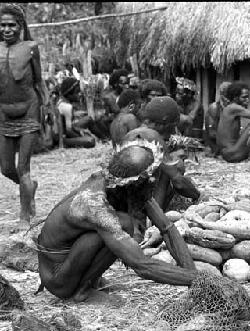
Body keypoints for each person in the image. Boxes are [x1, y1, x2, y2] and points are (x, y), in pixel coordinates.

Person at [37, 138, 199, 302]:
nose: (154, 181)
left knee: (120, 223)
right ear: (137, 182)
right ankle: (82, 291)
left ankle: (91, 281)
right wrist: (201, 280)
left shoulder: (127, 187)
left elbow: (167, 228)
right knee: (123, 223)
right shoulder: (94, 205)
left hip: (69, 262)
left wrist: (194, 279)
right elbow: (142, 266)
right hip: (58, 278)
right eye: (151, 178)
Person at [0, 4, 48, 224]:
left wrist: (46, 108)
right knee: (7, 168)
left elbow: (39, 81)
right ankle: (29, 188)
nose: (7, 29)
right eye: (3, 25)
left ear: (20, 26)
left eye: (12, 25)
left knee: (23, 168)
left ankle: (24, 216)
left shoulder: (31, 47)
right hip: (4, 114)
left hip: (29, 111)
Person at [216, 81, 250, 162]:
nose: (247, 100)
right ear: (235, 98)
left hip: (228, 153)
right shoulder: (233, 108)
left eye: (248, 97)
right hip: (232, 154)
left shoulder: (229, 108)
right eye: (244, 97)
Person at [56, 77, 96, 148]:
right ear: (70, 93)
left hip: (67, 130)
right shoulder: (67, 106)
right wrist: (81, 135)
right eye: (77, 92)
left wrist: (80, 130)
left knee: (88, 119)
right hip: (63, 138)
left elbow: (68, 125)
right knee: (91, 141)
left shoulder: (61, 101)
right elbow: (69, 131)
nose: (79, 94)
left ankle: (104, 138)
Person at [204, 81, 231, 156]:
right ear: (221, 95)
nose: (229, 100)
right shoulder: (214, 108)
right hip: (215, 145)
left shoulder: (232, 107)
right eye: (227, 96)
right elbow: (212, 134)